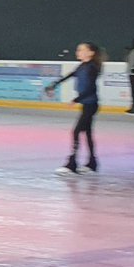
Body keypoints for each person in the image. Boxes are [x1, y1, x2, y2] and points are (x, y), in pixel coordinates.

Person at [48, 42, 102, 175]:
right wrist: (54, 84)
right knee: (87, 133)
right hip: (87, 104)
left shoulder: (92, 68)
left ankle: (72, 163)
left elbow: (91, 89)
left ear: (91, 53)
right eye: (78, 50)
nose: (78, 52)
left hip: (91, 105)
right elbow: (70, 75)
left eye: (81, 50)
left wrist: (76, 99)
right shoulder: (82, 66)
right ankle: (92, 163)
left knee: (76, 131)